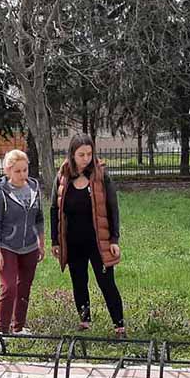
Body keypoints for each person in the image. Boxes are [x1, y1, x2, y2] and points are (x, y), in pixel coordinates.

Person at [50, 134, 125, 337]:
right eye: (81, 154)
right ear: (72, 155)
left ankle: (119, 326)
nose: (86, 158)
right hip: (73, 242)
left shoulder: (101, 176)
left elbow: (112, 209)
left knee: (107, 283)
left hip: (98, 242)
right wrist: (55, 240)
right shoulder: (62, 177)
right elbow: (53, 209)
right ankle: (85, 322)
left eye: (89, 154)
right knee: (79, 282)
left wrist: (114, 240)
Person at [0, 149, 45, 334]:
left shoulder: (34, 189)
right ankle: (2, 331)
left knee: (24, 287)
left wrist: (41, 243)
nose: (23, 175)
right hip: (7, 246)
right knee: (9, 287)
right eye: (18, 171)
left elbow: (39, 218)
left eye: (25, 170)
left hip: (29, 246)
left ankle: (18, 327)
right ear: (8, 171)